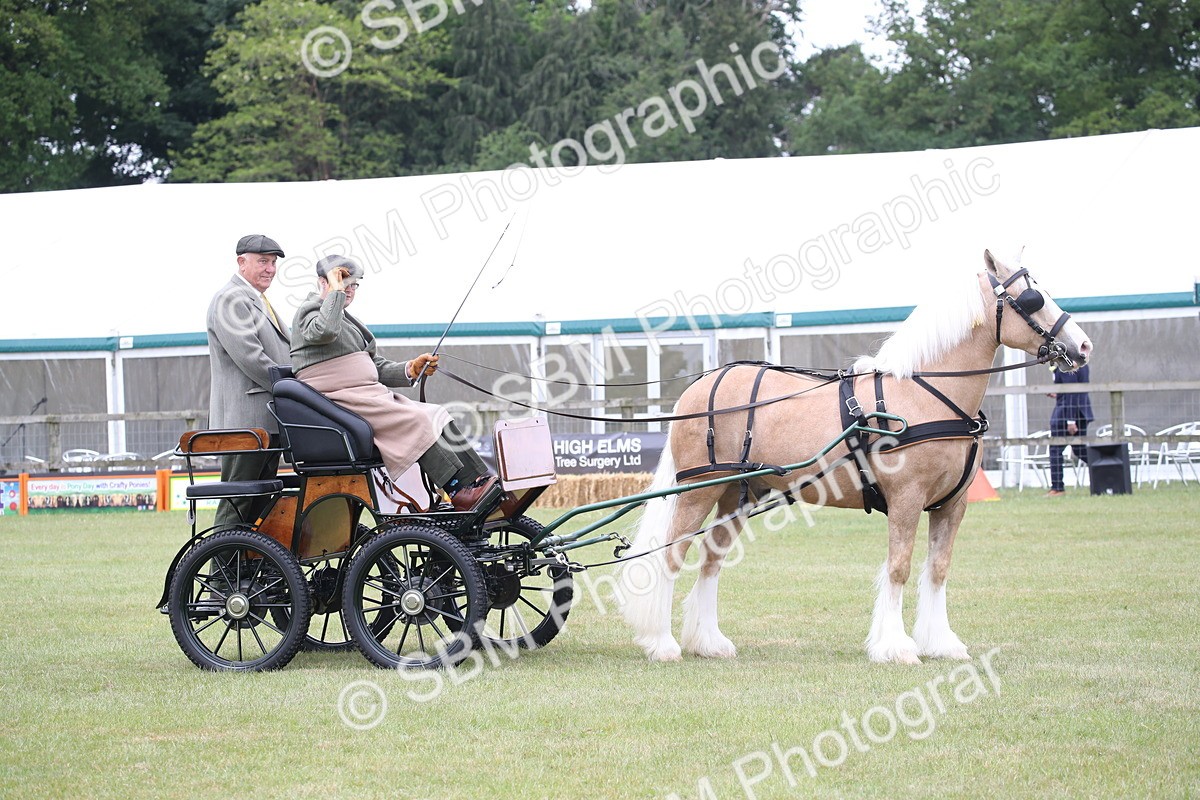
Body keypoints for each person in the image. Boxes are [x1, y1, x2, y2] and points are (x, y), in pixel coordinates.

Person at [289, 255, 497, 511]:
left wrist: (410, 368)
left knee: (435, 413)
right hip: (337, 400)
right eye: (344, 283)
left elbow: (372, 365)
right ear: (323, 282)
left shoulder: (344, 318)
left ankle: (475, 481)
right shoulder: (309, 311)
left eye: (354, 285)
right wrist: (336, 292)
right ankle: (455, 489)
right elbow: (324, 332)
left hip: (366, 394)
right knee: (417, 420)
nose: (349, 290)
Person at [206, 234, 292, 527]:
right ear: (241, 262)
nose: (270, 268)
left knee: (259, 501)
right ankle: (221, 572)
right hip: (243, 422)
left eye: (273, 263)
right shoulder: (230, 299)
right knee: (238, 500)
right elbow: (252, 359)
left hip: (265, 421)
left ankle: (249, 567)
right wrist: (293, 388)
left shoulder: (258, 300)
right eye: (262, 261)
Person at [1047, 362, 1094, 496]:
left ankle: (1057, 488)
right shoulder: (1081, 363)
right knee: (1080, 450)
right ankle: (1104, 468)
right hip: (1080, 412)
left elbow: (1072, 392)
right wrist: (1058, 394)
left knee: (1055, 449)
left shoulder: (1067, 364)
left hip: (1067, 414)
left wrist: (1071, 420)